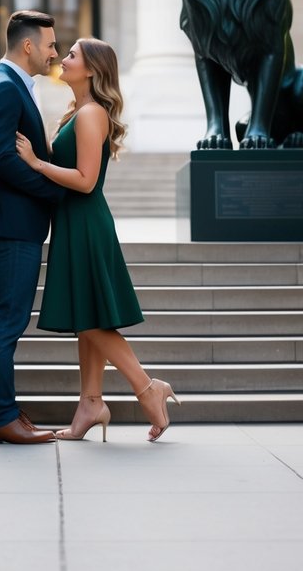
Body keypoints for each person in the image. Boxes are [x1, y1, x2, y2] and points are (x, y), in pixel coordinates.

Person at [16, 37, 180, 443]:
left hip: (86, 221)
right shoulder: (80, 112)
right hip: (74, 223)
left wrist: (36, 163)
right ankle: (90, 403)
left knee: (92, 320)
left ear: (91, 69)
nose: (62, 59)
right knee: (87, 318)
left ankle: (147, 387)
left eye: (71, 55)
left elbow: (86, 182)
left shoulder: (91, 114)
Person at [0, 9, 63, 444]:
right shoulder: (6, 89)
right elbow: (3, 159)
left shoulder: (9, 85)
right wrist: (54, 191)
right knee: (7, 321)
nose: (54, 52)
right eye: (49, 44)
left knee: (8, 319)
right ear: (28, 46)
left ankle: (3, 411)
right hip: (12, 223)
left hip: (16, 222)